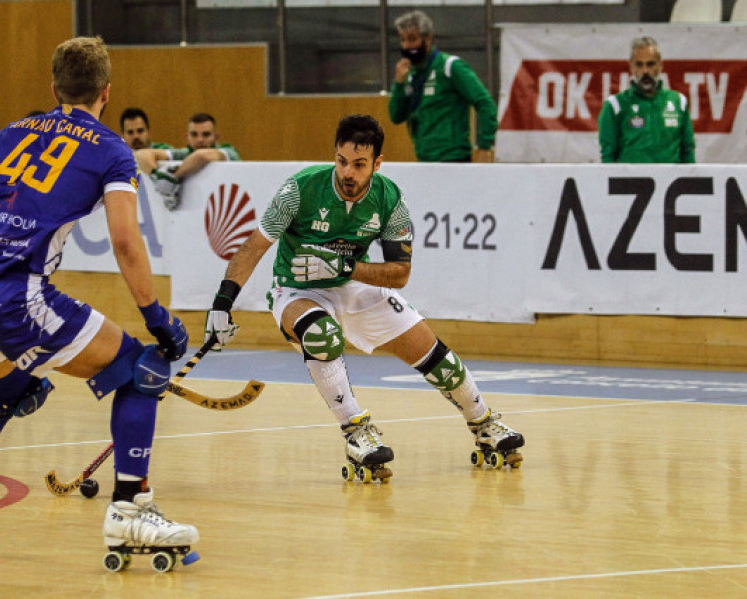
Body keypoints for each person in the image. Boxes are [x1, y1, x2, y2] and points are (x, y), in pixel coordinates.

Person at [0, 36, 199, 567]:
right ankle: (131, 510)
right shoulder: (111, 150)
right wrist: (157, 316)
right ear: (107, 92)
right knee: (139, 370)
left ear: (54, 87)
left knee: (7, 391)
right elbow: (126, 241)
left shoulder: (12, 131)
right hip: (16, 295)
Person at [203, 114, 524, 482]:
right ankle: (356, 431)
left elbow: (399, 273)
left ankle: (484, 424)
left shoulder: (389, 199)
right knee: (323, 337)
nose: (348, 173)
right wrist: (222, 303)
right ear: (334, 155)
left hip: (353, 283)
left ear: (377, 164)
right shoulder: (299, 190)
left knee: (439, 360)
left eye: (359, 165)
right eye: (342, 161)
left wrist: (342, 266)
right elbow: (254, 246)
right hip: (297, 290)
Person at [388, 10, 497, 163]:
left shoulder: (450, 66)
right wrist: (399, 84)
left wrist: (484, 147)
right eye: (402, 40)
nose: (406, 45)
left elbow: (485, 103)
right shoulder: (410, 74)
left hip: (454, 159)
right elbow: (396, 116)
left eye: (412, 39)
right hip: (423, 160)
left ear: (428, 38)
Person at [598, 36, 695, 163]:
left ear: (660, 65)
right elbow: (608, 156)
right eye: (639, 64)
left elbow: (688, 150)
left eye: (650, 64)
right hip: (630, 181)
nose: (645, 71)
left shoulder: (679, 102)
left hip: (671, 181)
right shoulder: (615, 105)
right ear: (631, 66)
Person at [134, 112, 240, 210]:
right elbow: (140, 155)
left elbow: (203, 156)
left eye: (206, 134)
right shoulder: (184, 153)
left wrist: (173, 177)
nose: (200, 140)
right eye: (194, 134)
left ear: (216, 137)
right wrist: (157, 177)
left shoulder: (228, 152)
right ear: (186, 137)